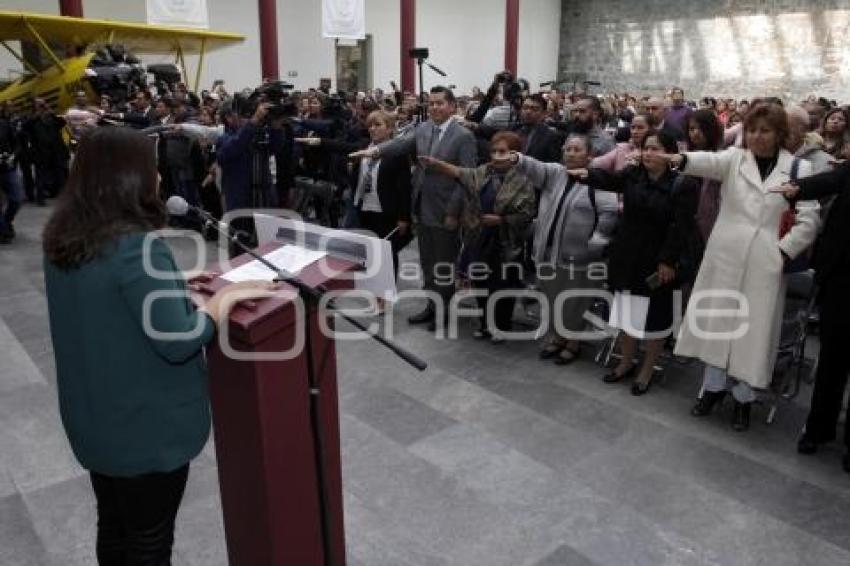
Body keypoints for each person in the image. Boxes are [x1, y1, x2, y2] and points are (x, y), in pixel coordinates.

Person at [42, 126, 275, 565]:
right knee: (150, 541)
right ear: (130, 178)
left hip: (95, 418)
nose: (160, 176)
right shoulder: (136, 247)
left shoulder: (65, 235)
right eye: (152, 167)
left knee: (113, 524)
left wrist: (175, 281)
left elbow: (105, 295)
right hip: (143, 429)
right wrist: (222, 300)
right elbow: (179, 340)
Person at [663, 103, 821, 431]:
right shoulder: (735, 160)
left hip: (766, 263)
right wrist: (682, 159)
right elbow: (709, 161)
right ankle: (713, 389)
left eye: (765, 130)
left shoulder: (798, 170)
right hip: (725, 255)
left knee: (753, 332)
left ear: (779, 134)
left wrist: (781, 252)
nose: (757, 137)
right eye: (752, 130)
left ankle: (743, 398)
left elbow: (809, 221)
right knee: (718, 324)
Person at [569, 130, 698, 395]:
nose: (648, 153)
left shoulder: (683, 185)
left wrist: (667, 260)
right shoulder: (633, 175)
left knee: (655, 320)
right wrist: (588, 174)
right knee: (626, 314)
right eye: (645, 148)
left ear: (670, 153)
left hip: (658, 261)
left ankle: (647, 369)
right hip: (628, 257)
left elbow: (681, 227)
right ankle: (626, 362)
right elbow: (611, 180)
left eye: (655, 148)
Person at [351, 86, 477, 332]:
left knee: (443, 264)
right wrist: (375, 150)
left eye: (440, 103)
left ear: (452, 106)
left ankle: (443, 312)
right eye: (431, 103)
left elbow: (468, 178)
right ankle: (431, 306)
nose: (435, 108)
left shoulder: (463, 136)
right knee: (428, 263)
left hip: (445, 211)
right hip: (422, 207)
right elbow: (400, 145)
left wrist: (454, 212)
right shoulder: (422, 129)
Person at [771, 156, 850, 474]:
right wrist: (795, 188)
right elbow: (828, 181)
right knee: (832, 359)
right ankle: (818, 429)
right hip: (842, 279)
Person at [510, 134, 619, 362]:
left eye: (577, 150)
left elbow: (609, 212)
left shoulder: (599, 179)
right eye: (568, 149)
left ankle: (574, 342)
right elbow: (533, 166)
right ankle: (558, 337)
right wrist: (517, 157)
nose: (570, 153)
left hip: (580, 257)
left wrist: (597, 242)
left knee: (575, 301)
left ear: (590, 155)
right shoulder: (555, 173)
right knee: (552, 297)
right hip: (548, 252)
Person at [420, 131, 535, 341]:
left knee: (502, 287)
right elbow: (461, 173)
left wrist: (502, 220)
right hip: (479, 238)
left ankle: (501, 326)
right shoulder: (483, 172)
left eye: (503, 151)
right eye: (494, 151)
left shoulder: (524, 180)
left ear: (515, 154)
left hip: (506, 243)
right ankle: (485, 324)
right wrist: (438, 164)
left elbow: (527, 215)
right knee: (482, 283)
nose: (497, 155)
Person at [296, 110, 413, 281]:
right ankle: (373, 286)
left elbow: (404, 189)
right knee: (368, 252)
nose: (373, 129)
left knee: (387, 253)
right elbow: (341, 146)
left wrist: (404, 217)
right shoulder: (365, 146)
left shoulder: (397, 153)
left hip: (387, 211)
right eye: (370, 125)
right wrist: (319, 141)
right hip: (364, 208)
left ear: (389, 129)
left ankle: (386, 292)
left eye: (378, 125)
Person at [25, 98, 69, 205]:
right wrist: (37, 115)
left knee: (60, 174)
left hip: (56, 151)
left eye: (43, 104)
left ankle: (64, 196)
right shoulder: (32, 118)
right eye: (39, 105)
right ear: (34, 106)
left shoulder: (51, 117)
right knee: (41, 176)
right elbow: (26, 128)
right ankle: (41, 198)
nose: (43, 106)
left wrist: (51, 112)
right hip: (41, 152)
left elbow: (62, 123)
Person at [0, 102, 22, 243]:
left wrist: (13, 156)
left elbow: (17, 144)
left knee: (16, 199)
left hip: (8, 168)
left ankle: (6, 223)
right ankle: (3, 230)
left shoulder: (4, 124)